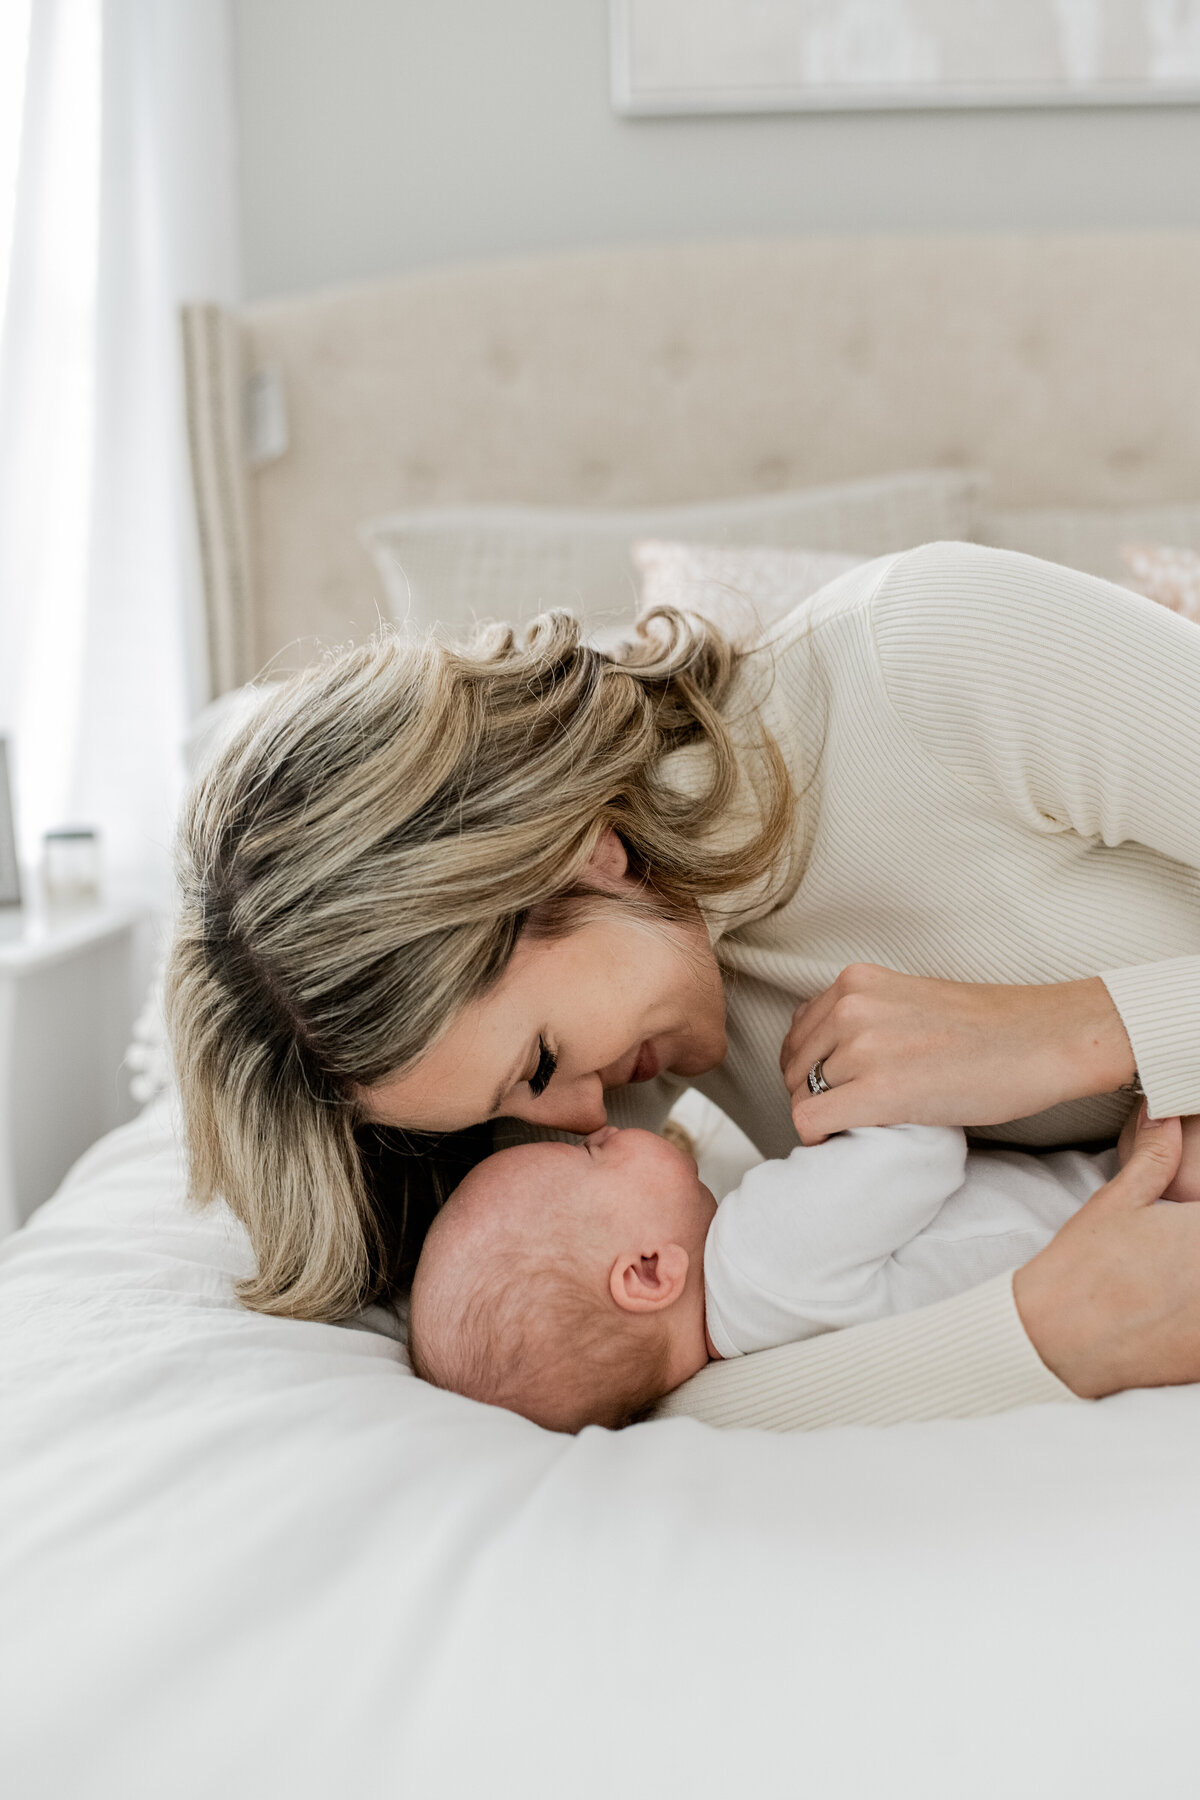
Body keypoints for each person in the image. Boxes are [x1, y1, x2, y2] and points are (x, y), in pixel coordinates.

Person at [166, 542, 1200, 1429]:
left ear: (576, 853)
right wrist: (1061, 1330)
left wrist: (1082, 1033)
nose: (580, 1119)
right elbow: (656, 1386)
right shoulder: (609, 1109)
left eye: (540, 1062)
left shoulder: (928, 659)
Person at [408, 1109, 1199, 1433]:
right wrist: (830, 1094)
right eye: (590, 1152)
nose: (608, 1125)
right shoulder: (758, 1253)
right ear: (649, 1271)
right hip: (1129, 1216)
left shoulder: (742, 1359)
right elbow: (920, 1141)